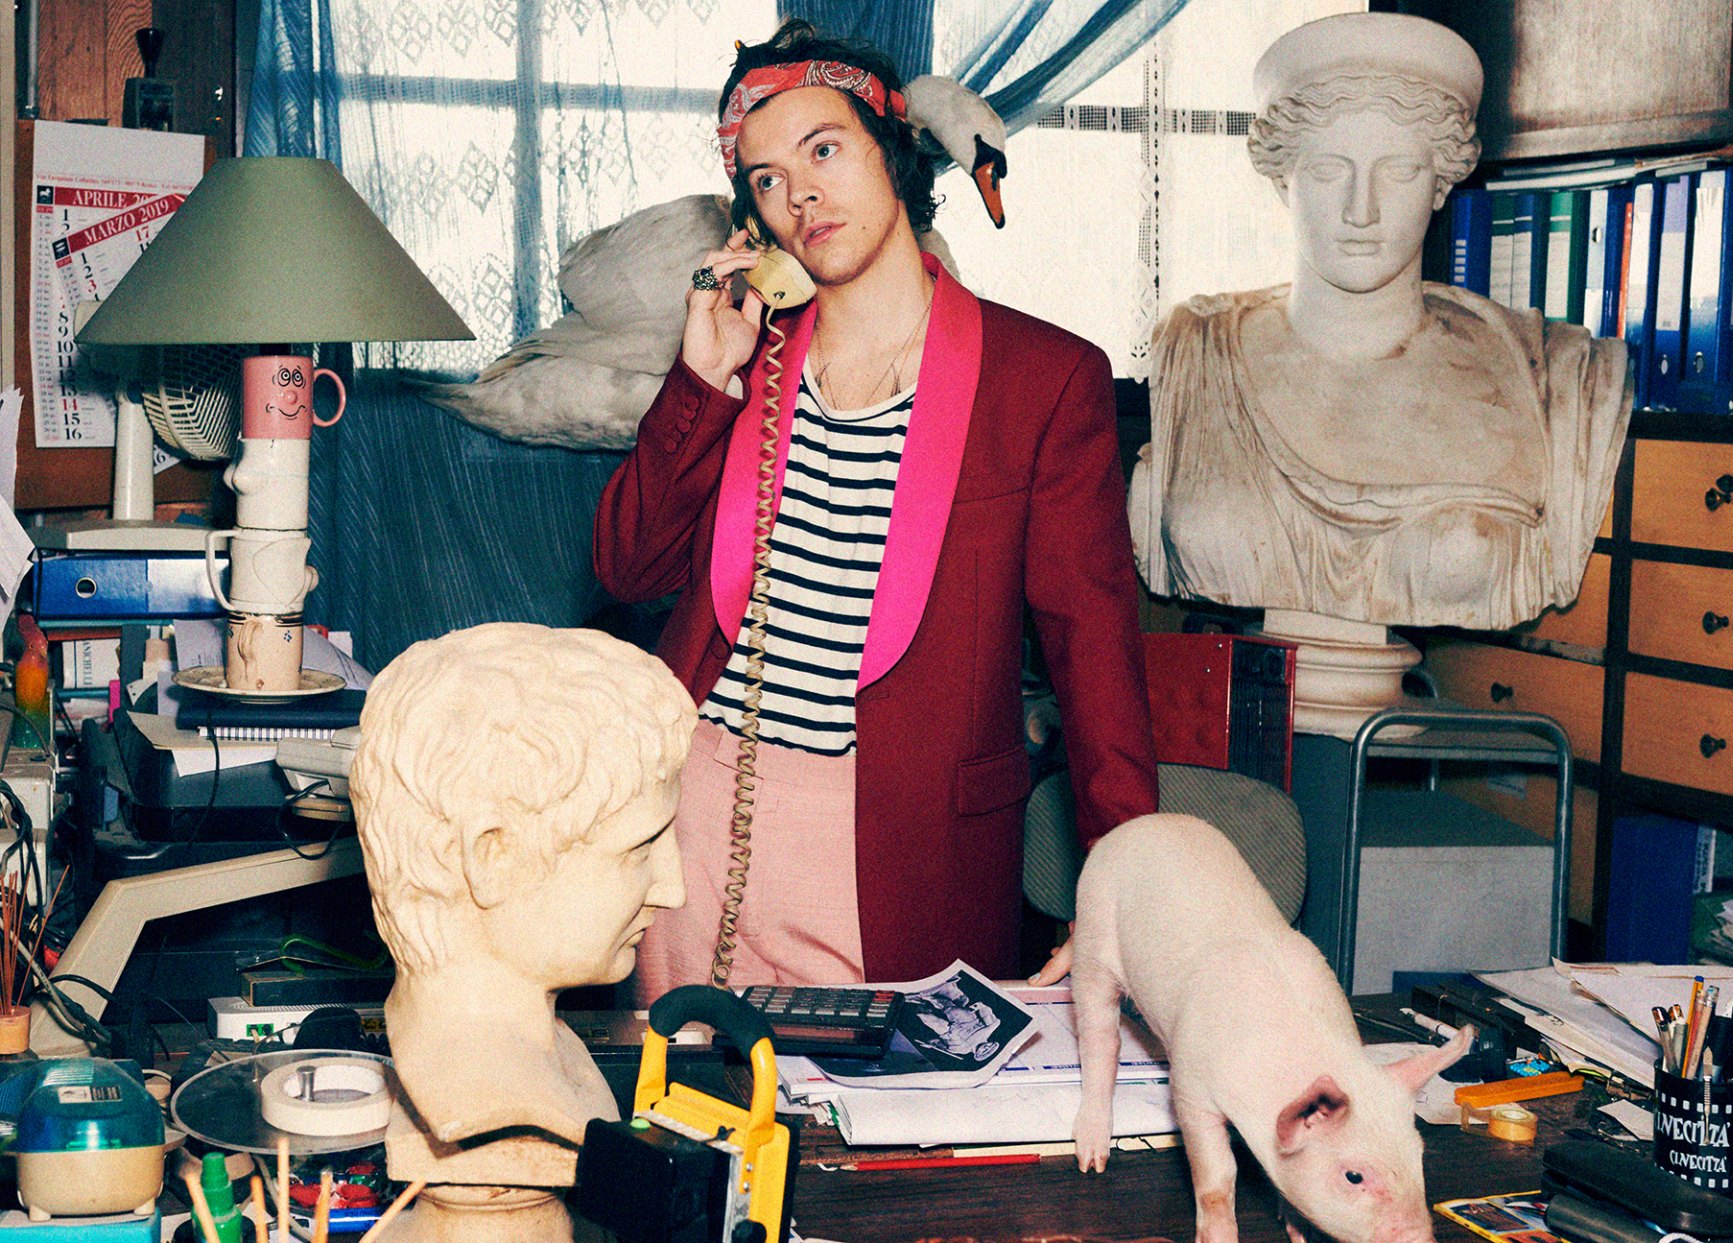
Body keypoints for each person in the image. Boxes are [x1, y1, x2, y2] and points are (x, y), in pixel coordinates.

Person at [594, 21, 1156, 1001]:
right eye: (766, 178)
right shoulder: (745, 356)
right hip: (699, 813)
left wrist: (1126, 893)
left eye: (823, 150)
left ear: (892, 153)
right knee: (684, 1085)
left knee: (882, 1099)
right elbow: (627, 568)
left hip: (899, 846)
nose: (799, 193)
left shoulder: (1043, 379)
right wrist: (701, 379)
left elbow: (1094, 653)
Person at [1131, 11, 1629, 635]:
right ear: (1283, 182)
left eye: (1399, 170)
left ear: (1441, 184)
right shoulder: (1197, 348)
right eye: (1327, 170)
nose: (1360, 210)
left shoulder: (1551, 374)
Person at [351, 622, 693, 1196]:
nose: (673, 889)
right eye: (639, 848)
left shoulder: (556, 1054)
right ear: (494, 858)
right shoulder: (478, 1101)